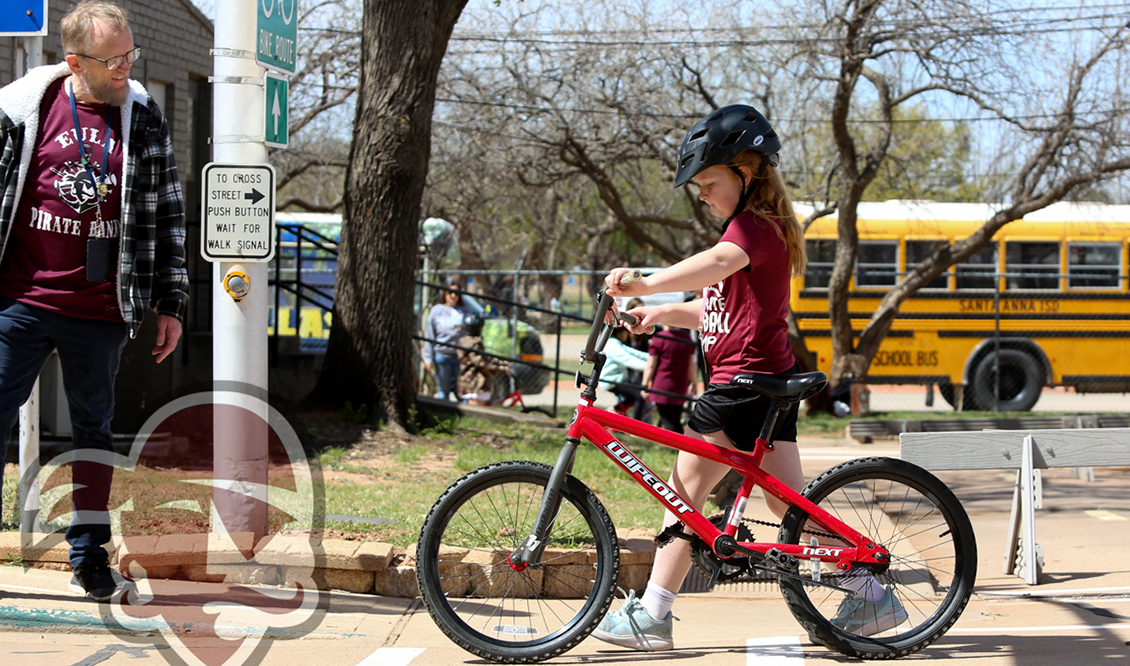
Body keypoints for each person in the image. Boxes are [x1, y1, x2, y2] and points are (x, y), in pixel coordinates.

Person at [591, 105, 905, 650]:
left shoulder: (754, 229)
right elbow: (714, 309)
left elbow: (714, 265)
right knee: (785, 503)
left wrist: (641, 283)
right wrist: (661, 312)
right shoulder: (745, 233)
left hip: (742, 386)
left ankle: (654, 614)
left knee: (683, 494)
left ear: (748, 171)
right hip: (763, 383)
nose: (702, 194)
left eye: (709, 182)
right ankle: (870, 593)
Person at [0, 0, 187, 601]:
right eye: (112, 59)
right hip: (20, 300)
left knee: (92, 434)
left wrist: (172, 302)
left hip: (101, 307)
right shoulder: (21, 111)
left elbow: (167, 215)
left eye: (131, 55)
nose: (125, 69)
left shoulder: (143, 116)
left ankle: (89, 556)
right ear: (73, 59)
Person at [641, 325, 696, 433]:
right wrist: (694, 382)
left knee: (669, 422)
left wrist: (644, 384)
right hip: (680, 385)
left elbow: (651, 365)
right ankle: (683, 446)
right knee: (675, 419)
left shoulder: (659, 338)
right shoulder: (686, 337)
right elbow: (691, 365)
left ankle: (679, 447)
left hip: (661, 385)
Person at [422, 278, 467, 400]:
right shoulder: (437, 310)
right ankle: (443, 415)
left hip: (459, 357)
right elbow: (430, 334)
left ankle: (463, 415)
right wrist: (428, 358)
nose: (453, 296)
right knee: (443, 390)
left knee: (462, 391)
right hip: (442, 355)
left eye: (456, 293)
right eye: (450, 292)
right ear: (445, 293)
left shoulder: (464, 310)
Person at [456, 311, 509, 405]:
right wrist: (501, 368)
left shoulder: (465, 341)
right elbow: (481, 362)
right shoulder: (472, 344)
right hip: (474, 383)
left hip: (471, 382)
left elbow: (486, 358)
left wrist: (500, 362)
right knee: (477, 409)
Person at [599, 325, 648, 417]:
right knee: (640, 395)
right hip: (611, 380)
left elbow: (632, 352)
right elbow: (628, 359)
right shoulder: (612, 345)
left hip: (617, 379)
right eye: (626, 332)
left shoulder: (616, 343)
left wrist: (651, 357)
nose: (628, 335)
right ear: (620, 332)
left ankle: (613, 410)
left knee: (634, 397)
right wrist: (650, 367)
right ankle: (635, 426)